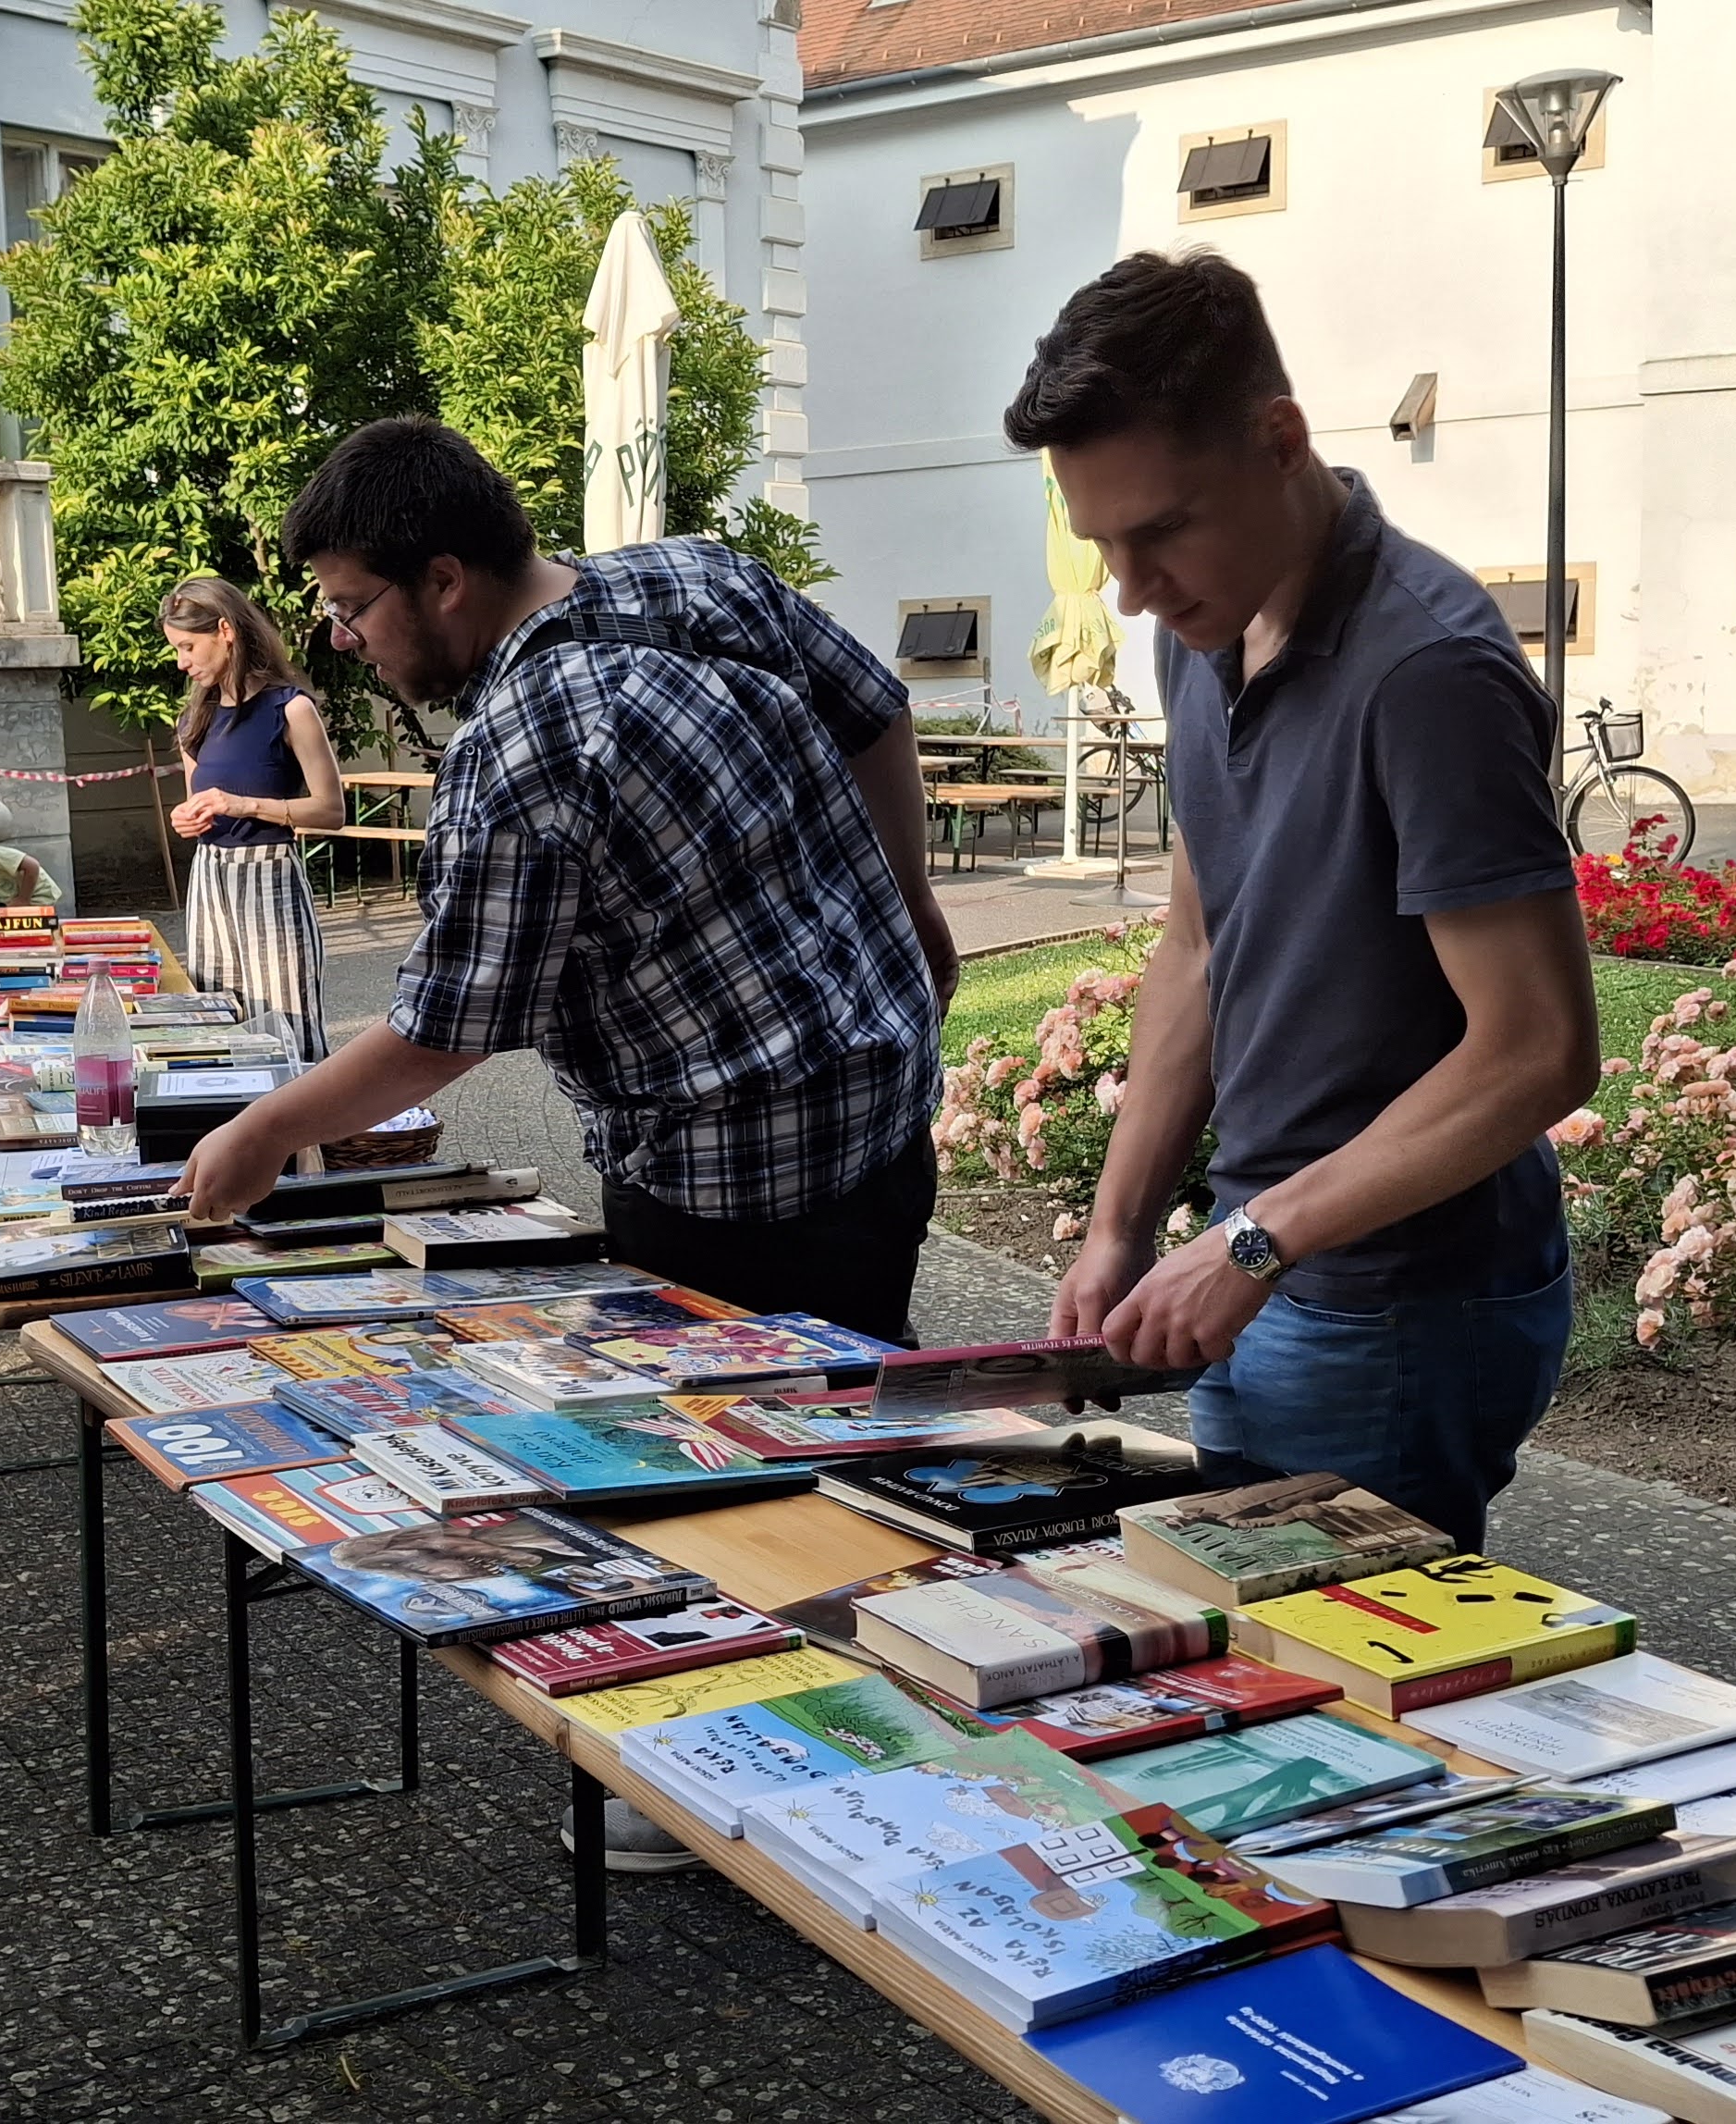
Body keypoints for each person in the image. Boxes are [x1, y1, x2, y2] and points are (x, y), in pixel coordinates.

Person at [1013, 252, 1598, 1553]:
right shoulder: (1198, 630)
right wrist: (1118, 1228)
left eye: (1162, 530)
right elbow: (1197, 942)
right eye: (1103, 545)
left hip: (1397, 1300)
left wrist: (1253, 1244)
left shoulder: (1429, 670)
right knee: (1239, 1631)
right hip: (1264, 1264)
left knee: (1347, 1659)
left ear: (1281, 442)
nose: (1134, 588)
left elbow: (1540, 1049)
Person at [178, 417, 957, 1346]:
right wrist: (912, 899)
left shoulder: (518, 750)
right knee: (866, 1373)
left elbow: (445, 1029)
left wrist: (265, 1131)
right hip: (887, 1102)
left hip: (727, 1185)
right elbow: (876, 711)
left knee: (750, 1422)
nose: (343, 639)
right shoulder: (700, 576)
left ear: (444, 579)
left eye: (353, 607)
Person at [160, 575, 345, 1057]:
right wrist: (186, 819)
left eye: (187, 647)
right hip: (209, 879)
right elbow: (196, 804)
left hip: (270, 878)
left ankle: (306, 1111)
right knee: (219, 1025)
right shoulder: (194, 719)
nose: (181, 662)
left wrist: (245, 805)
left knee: (289, 1030)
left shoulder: (291, 708)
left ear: (225, 630)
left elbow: (331, 810)